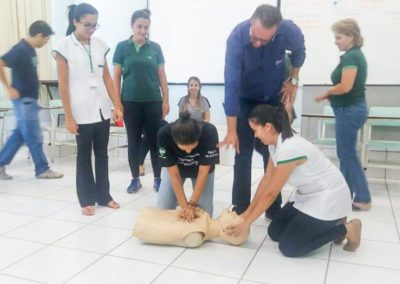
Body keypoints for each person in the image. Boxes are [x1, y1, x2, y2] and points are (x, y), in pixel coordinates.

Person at [224, 104, 362, 257]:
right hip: (308, 195)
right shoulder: (275, 144)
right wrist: (246, 214)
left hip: (329, 196)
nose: (255, 136)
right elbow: (266, 181)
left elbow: (271, 193)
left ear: (267, 127)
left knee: (289, 247)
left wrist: (247, 223)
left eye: (255, 130)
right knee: (275, 232)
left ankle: (347, 228)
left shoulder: (290, 148)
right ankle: (332, 222)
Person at [220, 4, 306, 219]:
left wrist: (293, 79)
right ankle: (240, 209)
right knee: (242, 153)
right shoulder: (237, 39)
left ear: (276, 31)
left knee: (275, 152)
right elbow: (231, 84)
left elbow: (299, 51)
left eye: (264, 40)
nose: (257, 43)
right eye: (255, 37)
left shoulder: (288, 30)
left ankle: (273, 208)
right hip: (244, 100)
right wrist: (232, 129)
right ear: (251, 21)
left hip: (271, 99)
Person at [53, 3, 123, 215]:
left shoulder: (100, 44)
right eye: (87, 25)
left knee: (102, 154)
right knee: (83, 155)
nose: (91, 29)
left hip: (101, 109)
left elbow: (108, 78)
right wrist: (69, 116)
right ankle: (86, 199)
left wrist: (117, 105)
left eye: (95, 25)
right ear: (75, 22)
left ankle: (104, 195)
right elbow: (63, 85)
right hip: (80, 112)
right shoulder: (63, 46)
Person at [314, 19, 371, 211]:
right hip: (350, 109)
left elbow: (346, 86)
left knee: (347, 154)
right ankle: (344, 193)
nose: (335, 41)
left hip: (349, 110)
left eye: (338, 37)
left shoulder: (352, 57)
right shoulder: (352, 55)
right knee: (345, 154)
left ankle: (362, 198)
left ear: (351, 36)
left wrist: (327, 93)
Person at [113, 9, 169, 193]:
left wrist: (165, 100)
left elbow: (162, 76)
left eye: (146, 27)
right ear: (132, 26)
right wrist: (117, 103)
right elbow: (116, 78)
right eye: (139, 26)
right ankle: (135, 178)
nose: (143, 30)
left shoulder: (155, 48)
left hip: (153, 102)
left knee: (155, 141)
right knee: (134, 141)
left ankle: (158, 178)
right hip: (130, 103)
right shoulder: (122, 47)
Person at [0, 21, 63, 180]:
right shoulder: (20, 49)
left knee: (19, 136)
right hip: (23, 100)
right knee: (34, 137)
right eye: (46, 39)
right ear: (40, 35)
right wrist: (8, 88)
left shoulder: (30, 50)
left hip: (29, 101)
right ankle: (42, 169)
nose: (47, 42)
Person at [156, 112, 219, 220]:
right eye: (184, 148)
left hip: (201, 169)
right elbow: (174, 175)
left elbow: (203, 172)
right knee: (163, 209)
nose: (189, 151)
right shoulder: (164, 134)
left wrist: (192, 204)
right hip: (176, 169)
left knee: (205, 213)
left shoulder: (209, 132)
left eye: (192, 147)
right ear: (174, 140)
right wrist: (185, 206)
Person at [133, 207, 248, 247]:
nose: (234, 212)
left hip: (144, 224)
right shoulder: (204, 219)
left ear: (226, 230)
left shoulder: (196, 235)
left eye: (235, 217)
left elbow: (165, 229)